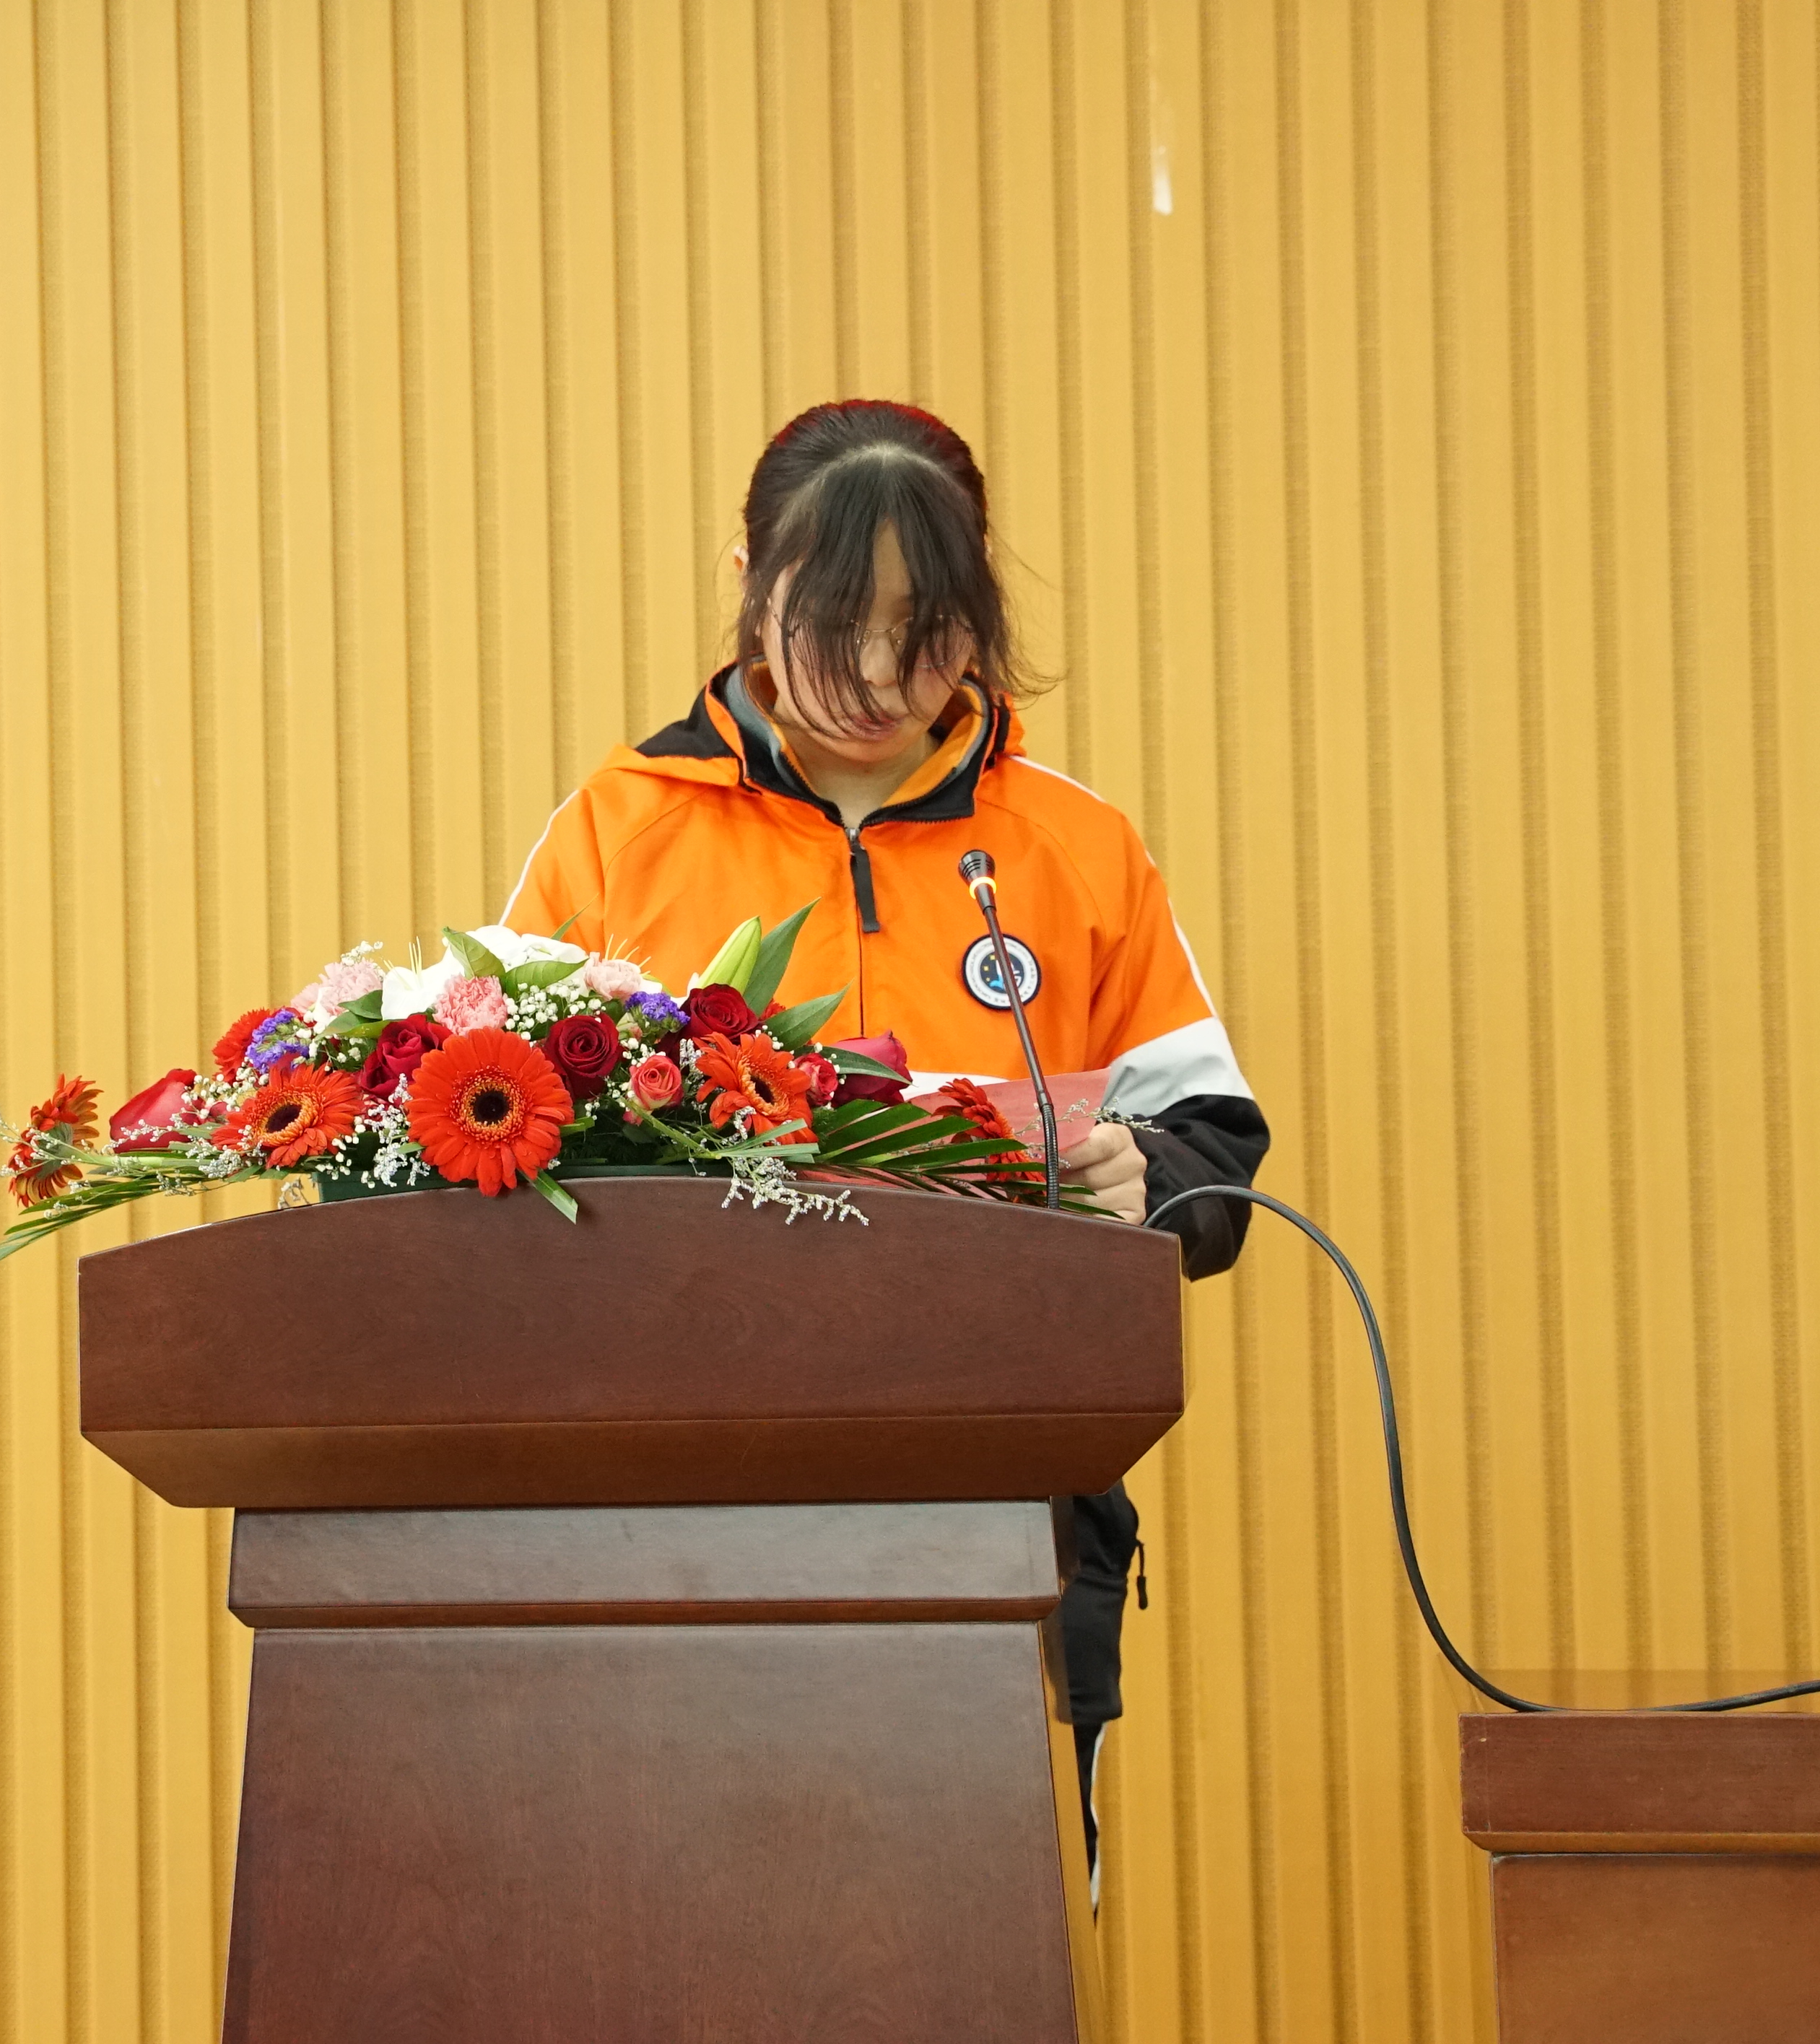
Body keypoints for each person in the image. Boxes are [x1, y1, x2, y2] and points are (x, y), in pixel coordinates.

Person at [501, 398, 1272, 1897]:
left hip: (1007, 1509)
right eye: (833, 625)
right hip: (670, 1516)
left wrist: (1147, 1179)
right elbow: (509, 1145)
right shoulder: (616, 832)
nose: (872, 679)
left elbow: (1214, 1149)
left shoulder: (1071, 847)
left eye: (923, 636)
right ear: (747, 579)